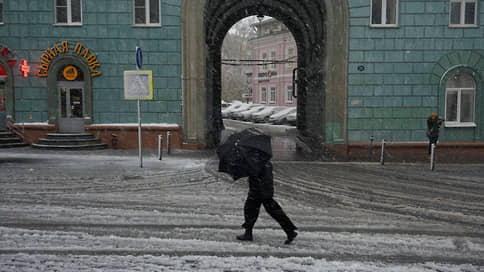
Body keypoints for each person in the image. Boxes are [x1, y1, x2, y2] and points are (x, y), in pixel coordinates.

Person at [236, 158, 298, 244]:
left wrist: (248, 169)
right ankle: (290, 231)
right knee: (274, 211)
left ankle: (248, 233)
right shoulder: (264, 161)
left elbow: (255, 174)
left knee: (250, 210)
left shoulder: (256, 161)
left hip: (258, 190)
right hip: (265, 190)